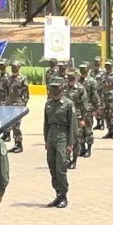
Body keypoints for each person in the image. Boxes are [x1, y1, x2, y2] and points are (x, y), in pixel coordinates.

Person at [44, 80, 76, 208]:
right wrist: (46, 140)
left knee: (61, 167)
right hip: (51, 135)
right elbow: (46, 124)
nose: (53, 91)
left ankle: (64, 195)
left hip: (63, 135)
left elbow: (73, 125)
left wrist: (70, 143)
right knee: (52, 166)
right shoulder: (48, 104)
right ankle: (57, 193)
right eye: (52, 89)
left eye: (55, 89)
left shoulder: (68, 104)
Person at [3, 61, 29, 153]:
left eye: (14, 67)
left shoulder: (22, 79)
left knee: (16, 126)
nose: (13, 68)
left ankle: (19, 144)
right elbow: (6, 92)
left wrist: (23, 105)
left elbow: (26, 93)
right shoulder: (8, 79)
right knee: (10, 124)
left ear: (18, 68)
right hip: (9, 105)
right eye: (12, 67)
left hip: (18, 105)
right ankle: (15, 144)